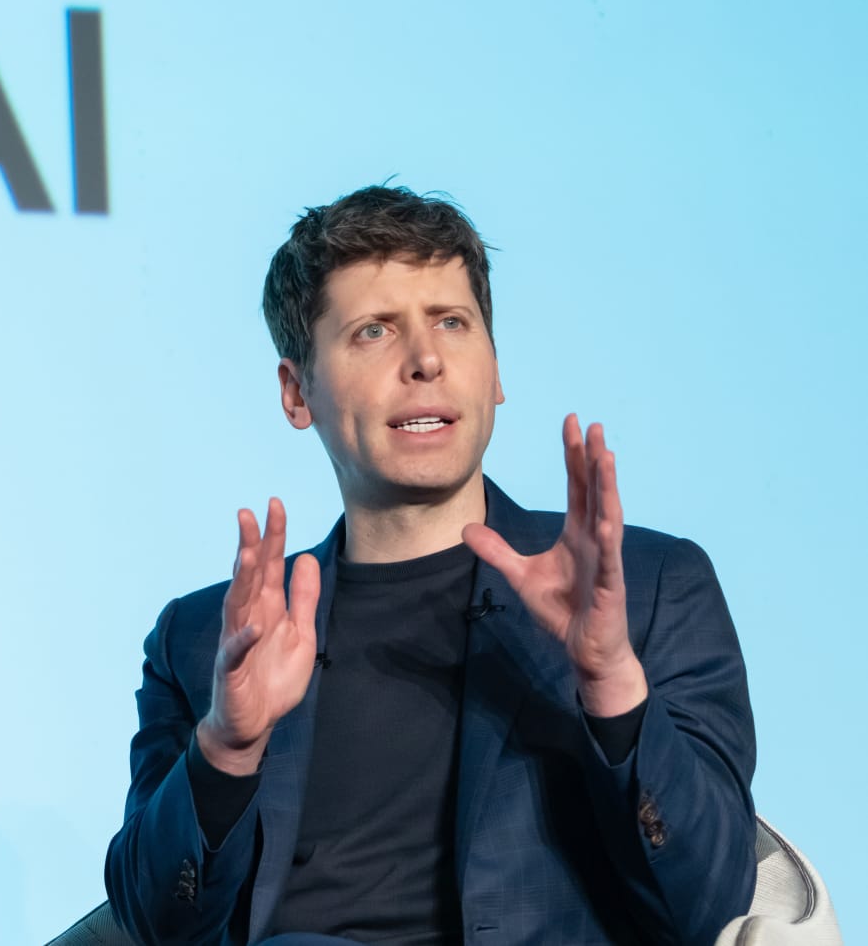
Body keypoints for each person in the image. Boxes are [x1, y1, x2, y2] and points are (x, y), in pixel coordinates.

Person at [102, 186, 756, 946]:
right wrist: (227, 747)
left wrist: (611, 681)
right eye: (374, 330)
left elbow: (711, 905)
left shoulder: (647, 587)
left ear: (496, 371)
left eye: (452, 321)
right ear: (295, 390)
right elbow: (156, 925)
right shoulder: (206, 638)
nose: (425, 360)